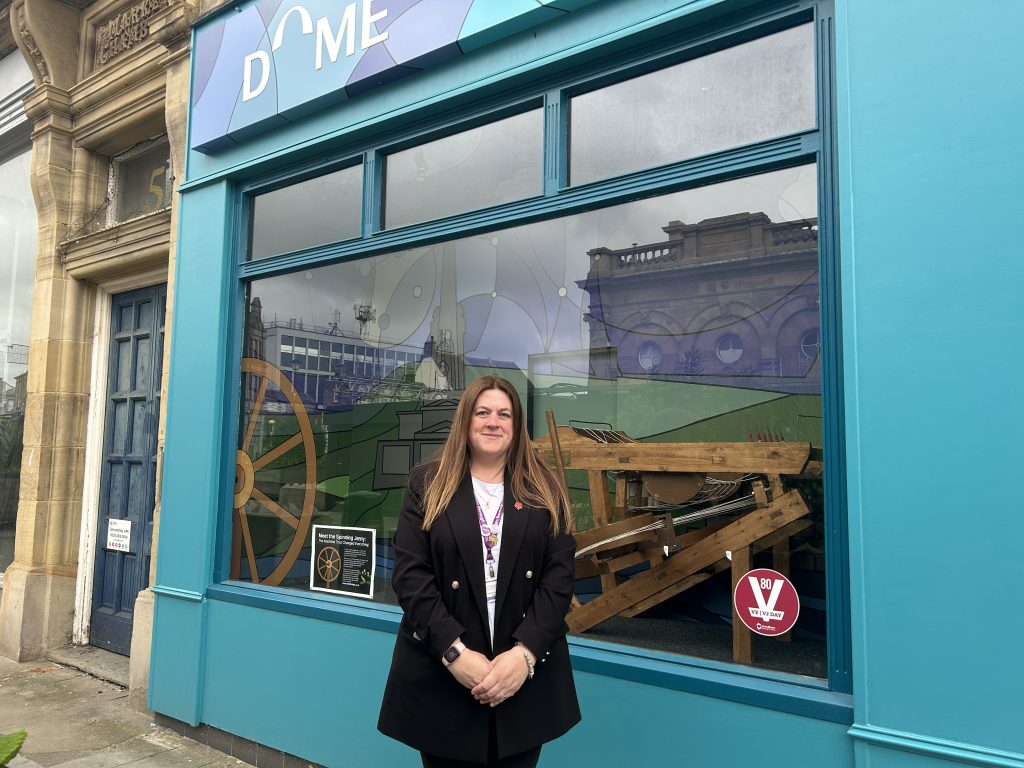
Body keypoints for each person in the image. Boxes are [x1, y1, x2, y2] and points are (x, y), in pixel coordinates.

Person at [378, 375, 581, 767]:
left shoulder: (545, 487)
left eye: (504, 414)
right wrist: (454, 654)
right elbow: (410, 576)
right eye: (483, 412)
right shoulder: (427, 484)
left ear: (516, 426)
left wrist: (524, 656)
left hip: (521, 681)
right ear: (465, 421)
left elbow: (559, 579)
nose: (493, 422)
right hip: (443, 679)